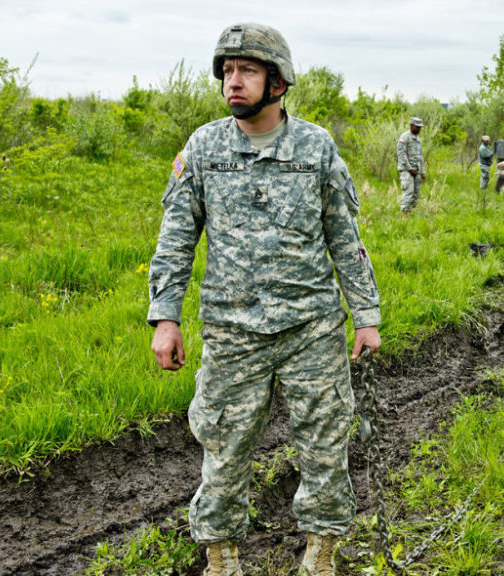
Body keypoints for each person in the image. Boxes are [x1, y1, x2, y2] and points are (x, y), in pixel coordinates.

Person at [147, 22, 382, 576]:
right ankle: (222, 559)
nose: (234, 82)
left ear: (277, 82)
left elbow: (344, 238)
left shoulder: (315, 147)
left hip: (311, 328)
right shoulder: (204, 148)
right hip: (233, 333)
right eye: (228, 71)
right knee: (223, 449)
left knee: (325, 448)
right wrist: (165, 317)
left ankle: (320, 556)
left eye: (247, 70)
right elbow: (176, 238)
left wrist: (365, 316)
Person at [396, 117, 425, 213]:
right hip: (406, 170)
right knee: (408, 192)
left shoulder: (418, 139)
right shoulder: (404, 137)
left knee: (416, 193)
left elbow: (420, 156)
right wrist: (409, 168)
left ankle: (412, 214)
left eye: (420, 127)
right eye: (417, 127)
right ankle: (404, 214)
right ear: (411, 125)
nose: (419, 129)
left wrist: (422, 172)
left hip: (417, 170)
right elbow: (401, 154)